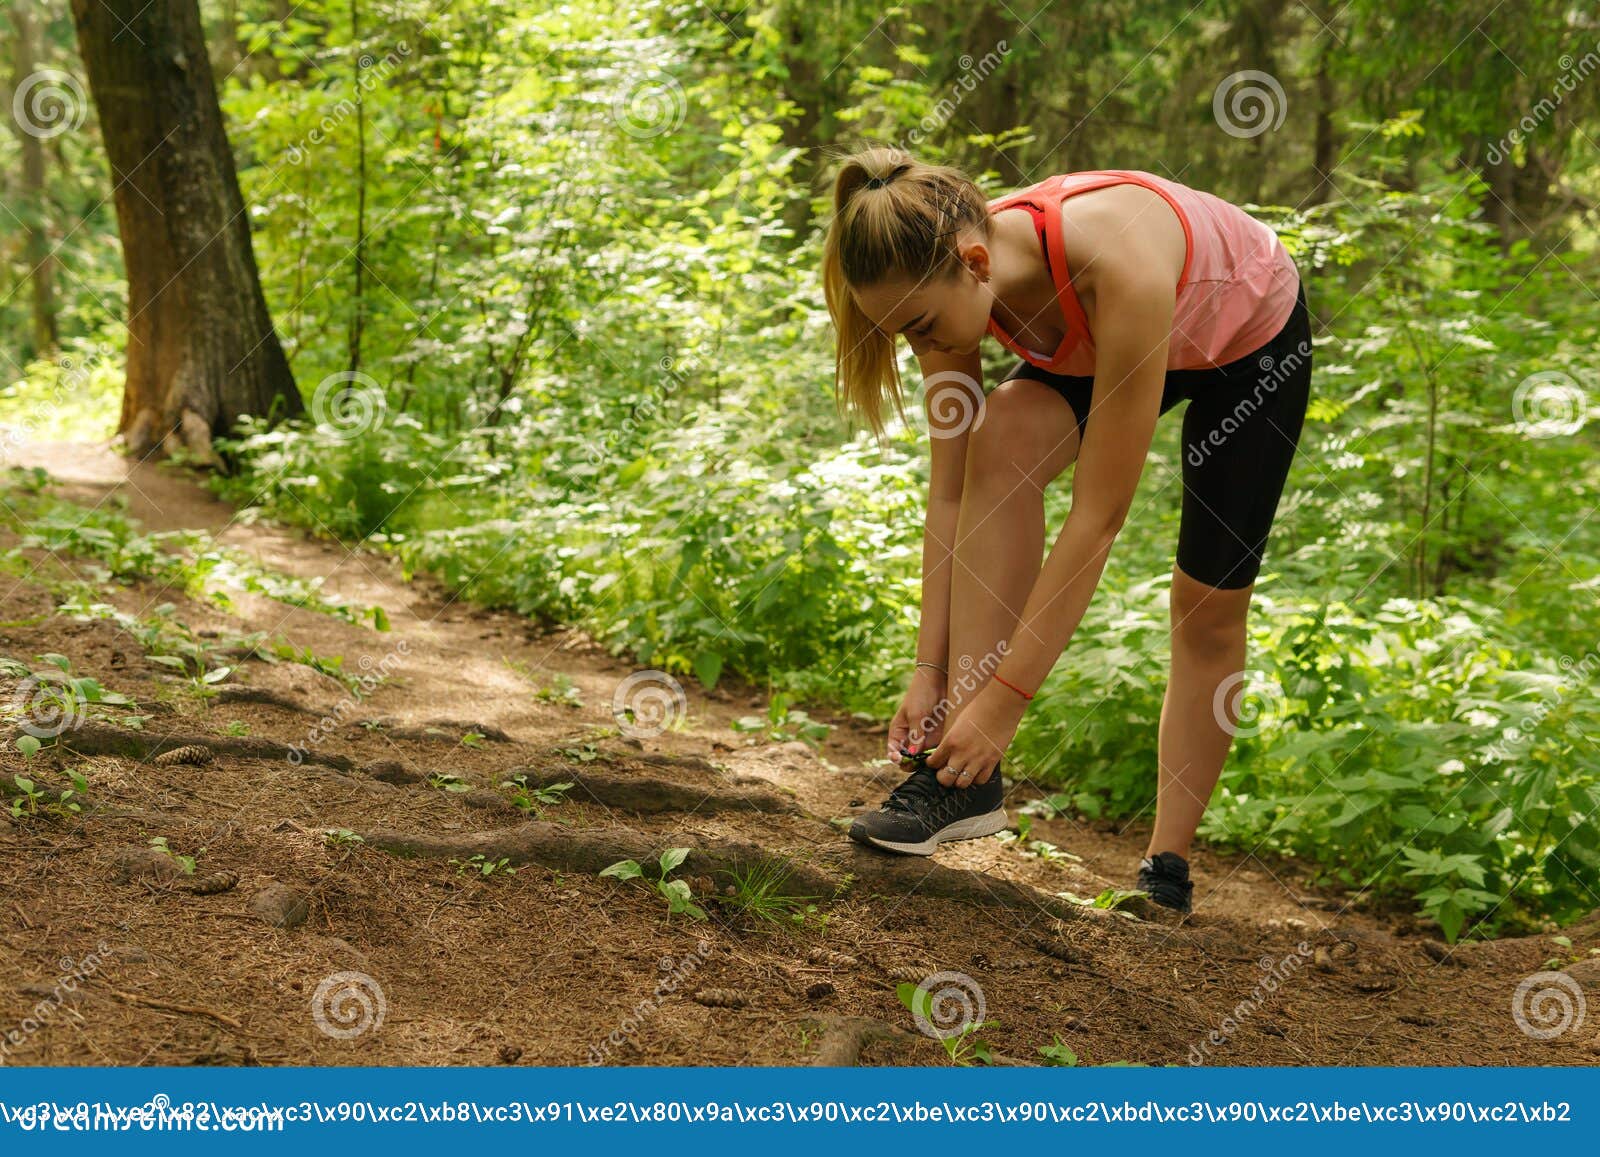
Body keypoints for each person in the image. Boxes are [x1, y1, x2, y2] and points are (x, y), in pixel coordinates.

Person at [820, 145, 1313, 913]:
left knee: (1207, 607)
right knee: (1001, 439)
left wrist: (1003, 705)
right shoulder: (945, 288)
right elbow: (950, 494)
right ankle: (966, 782)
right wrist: (934, 675)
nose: (923, 350)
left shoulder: (1116, 261)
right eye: (901, 335)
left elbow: (1098, 515)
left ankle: (1167, 867)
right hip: (1101, 338)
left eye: (919, 328)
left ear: (976, 262)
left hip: (1247, 341)